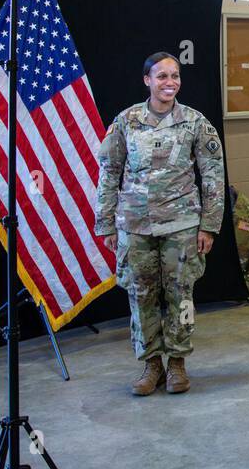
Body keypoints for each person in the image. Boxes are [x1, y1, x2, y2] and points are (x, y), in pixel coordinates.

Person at [95, 52, 226, 395]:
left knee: (181, 296)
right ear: (147, 81)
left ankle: (178, 364)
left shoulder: (195, 122)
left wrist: (209, 225)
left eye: (175, 76)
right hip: (135, 226)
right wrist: (107, 224)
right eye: (162, 76)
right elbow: (109, 173)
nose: (170, 82)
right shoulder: (126, 121)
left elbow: (213, 176)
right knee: (141, 297)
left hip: (181, 224)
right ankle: (151, 364)